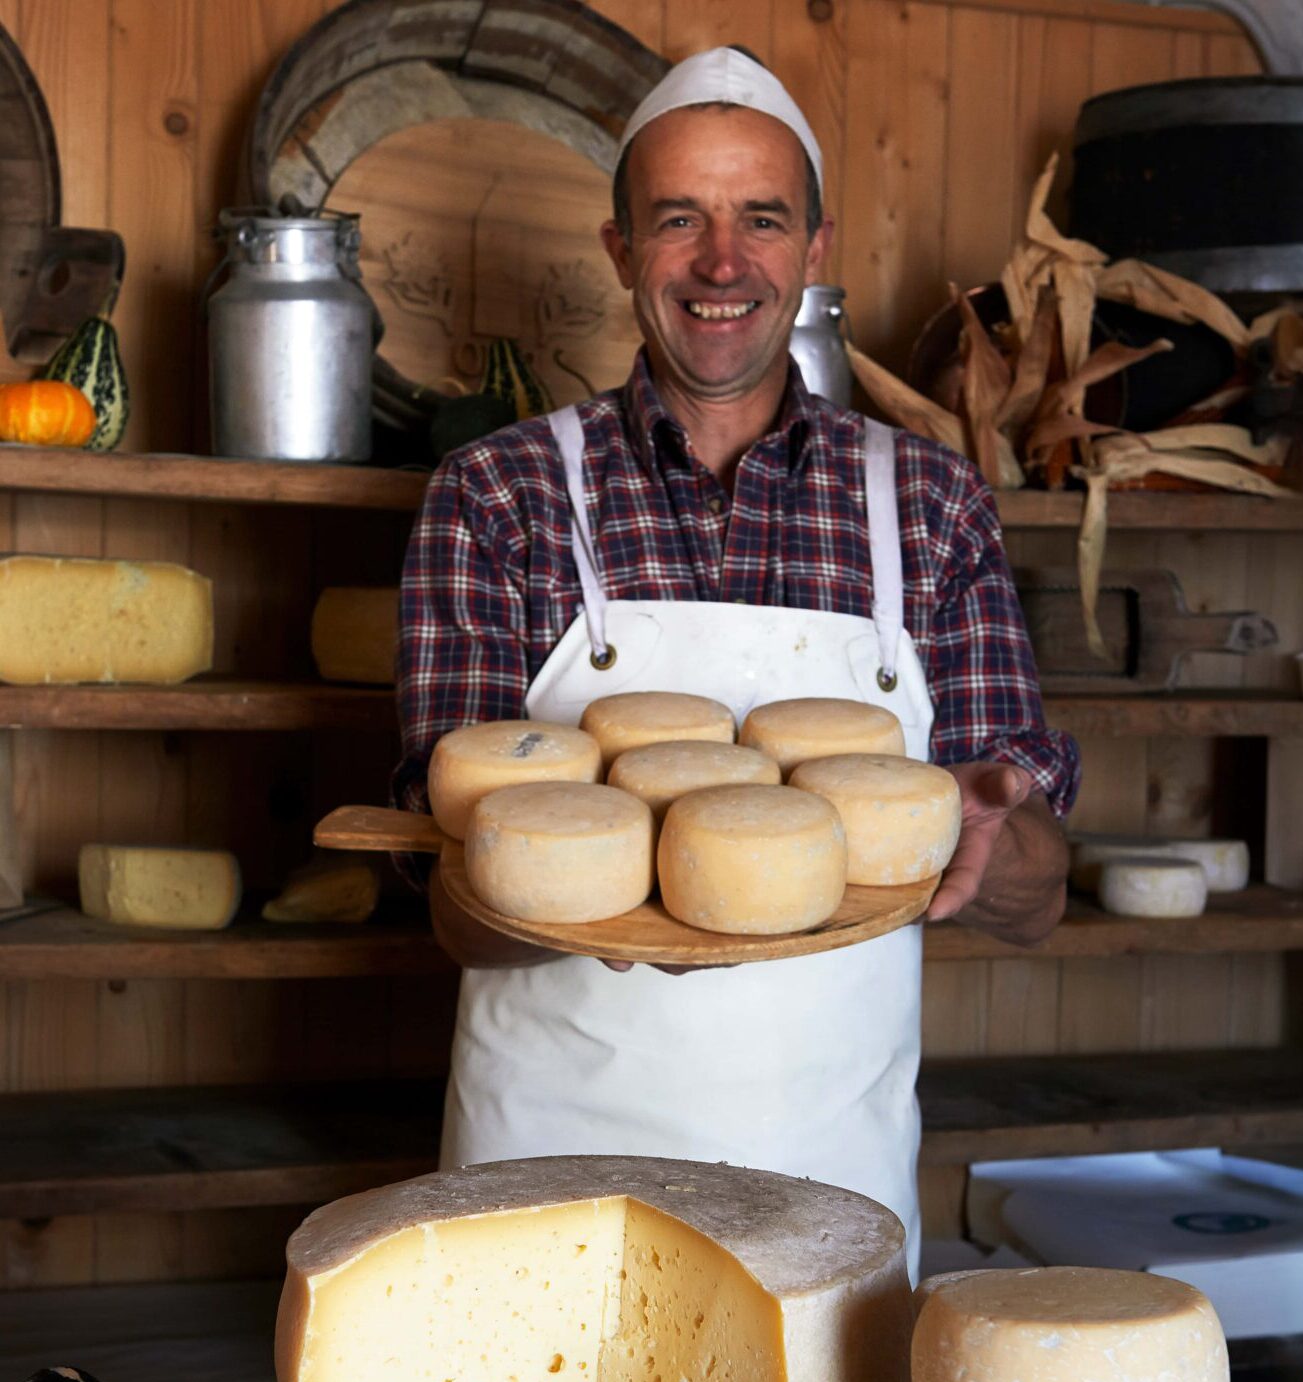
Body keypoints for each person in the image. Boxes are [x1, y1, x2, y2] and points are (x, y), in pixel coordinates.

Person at [391, 47, 1076, 1265]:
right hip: (548, 1168)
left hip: (825, 1173)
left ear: (814, 249)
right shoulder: (495, 496)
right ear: (618, 250)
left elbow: (1038, 891)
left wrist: (992, 839)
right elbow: (450, 917)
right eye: (679, 221)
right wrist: (544, 885)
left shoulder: (928, 503)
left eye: (762, 219)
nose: (722, 263)